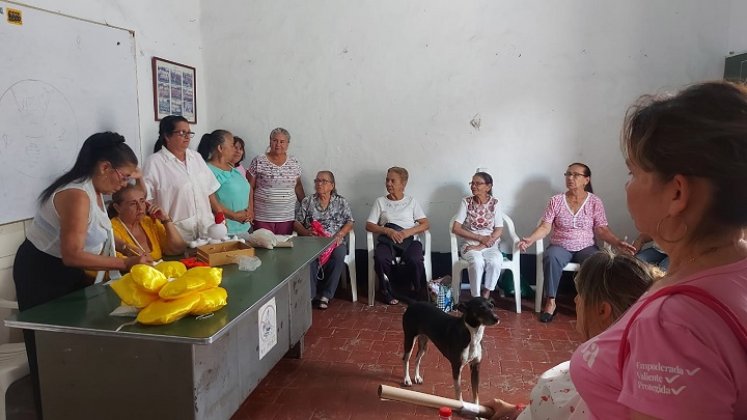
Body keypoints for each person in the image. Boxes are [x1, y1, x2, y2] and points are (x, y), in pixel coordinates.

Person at [569, 81, 747, 419]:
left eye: (633, 172)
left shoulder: (673, 324)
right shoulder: (734, 267)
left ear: (677, 193)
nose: (627, 186)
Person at [13, 132, 152, 418]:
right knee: (49, 345)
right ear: (104, 167)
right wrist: (126, 264)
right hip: (43, 272)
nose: (125, 184)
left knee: (76, 341)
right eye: (123, 177)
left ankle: (80, 401)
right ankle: (53, 408)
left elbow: (98, 229)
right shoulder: (76, 194)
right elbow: (72, 254)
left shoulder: (96, 190)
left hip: (66, 271)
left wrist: (124, 245)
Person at [486, 251, 657, 420]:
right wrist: (518, 411)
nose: (575, 301)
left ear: (602, 310)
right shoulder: (639, 367)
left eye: (580, 295)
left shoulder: (600, 385)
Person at [518, 163, 635, 322]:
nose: (570, 178)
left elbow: (602, 230)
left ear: (586, 180)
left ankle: (589, 303)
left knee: (596, 261)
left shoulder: (595, 202)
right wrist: (530, 239)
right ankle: (551, 302)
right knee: (551, 257)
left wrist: (618, 242)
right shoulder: (556, 201)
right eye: (568, 174)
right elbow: (545, 227)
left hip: (586, 246)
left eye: (575, 175)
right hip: (560, 245)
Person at [142, 115, 220, 242]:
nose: (187, 136)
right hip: (177, 234)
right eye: (182, 133)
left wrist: (220, 215)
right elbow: (146, 200)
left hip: (207, 231)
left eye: (189, 133)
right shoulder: (154, 163)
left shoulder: (196, 157)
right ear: (167, 136)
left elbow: (209, 190)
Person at [366, 167, 430, 305]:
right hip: (387, 240)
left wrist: (407, 232)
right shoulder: (380, 202)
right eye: (387, 180)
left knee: (415, 259)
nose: (388, 183)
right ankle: (386, 291)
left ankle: (417, 290)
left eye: (393, 180)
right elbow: (369, 225)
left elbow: (425, 224)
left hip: (409, 239)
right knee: (381, 258)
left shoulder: (411, 201)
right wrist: (388, 231)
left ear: (403, 184)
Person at [294, 171, 354, 309]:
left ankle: (326, 295)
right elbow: (296, 222)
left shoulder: (341, 201)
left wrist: (340, 234)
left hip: (334, 241)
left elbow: (350, 221)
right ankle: (311, 294)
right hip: (312, 240)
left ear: (332, 185)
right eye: (317, 181)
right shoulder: (307, 201)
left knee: (339, 254)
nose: (319, 184)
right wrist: (306, 233)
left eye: (323, 181)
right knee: (310, 257)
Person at [451, 172, 504, 299]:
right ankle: (476, 297)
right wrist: (479, 239)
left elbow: (499, 229)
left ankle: (486, 292)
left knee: (496, 261)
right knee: (476, 261)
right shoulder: (466, 202)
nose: (473, 186)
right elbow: (456, 228)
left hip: (490, 244)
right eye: (472, 183)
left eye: (478, 183)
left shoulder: (495, 203)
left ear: (488, 187)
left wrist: (482, 245)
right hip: (469, 244)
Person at [247, 127, 305, 235]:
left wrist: (306, 205)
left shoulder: (294, 162)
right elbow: (249, 187)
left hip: (287, 217)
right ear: (270, 141)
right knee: (263, 247)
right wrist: (250, 210)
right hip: (262, 216)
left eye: (282, 141)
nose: (278, 144)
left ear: (288, 144)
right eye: (275, 140)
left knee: (283, 247)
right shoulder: (258, 160)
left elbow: (298, 186)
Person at [197, 130, 253, 236]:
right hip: (225, 230)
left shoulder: (232, 167)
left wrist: (250, 210)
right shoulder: (206, 170)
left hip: (245, 227)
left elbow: (247, 188)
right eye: (232, 145)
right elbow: (207, 200)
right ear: (220, 148)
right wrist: (233, 216)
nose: (235, 150)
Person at [109, 184, 187, 260]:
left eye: (142, 201)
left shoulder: (149, 221)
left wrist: (165, 220)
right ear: (117, 208)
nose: (140, 208)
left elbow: (178, 249)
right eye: (133, 204)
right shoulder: (111, 229)